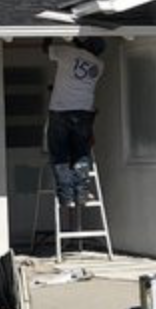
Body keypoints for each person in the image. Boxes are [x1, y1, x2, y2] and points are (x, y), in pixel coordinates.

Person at [44, 36, 106, 206]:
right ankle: (82, 194)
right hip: (84, 113)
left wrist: (49, 33)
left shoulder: (68, 52)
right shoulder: (99, 65)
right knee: (81, 153)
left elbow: (46, 49)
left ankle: (66, 196)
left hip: (60, 111)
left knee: (60, 154)